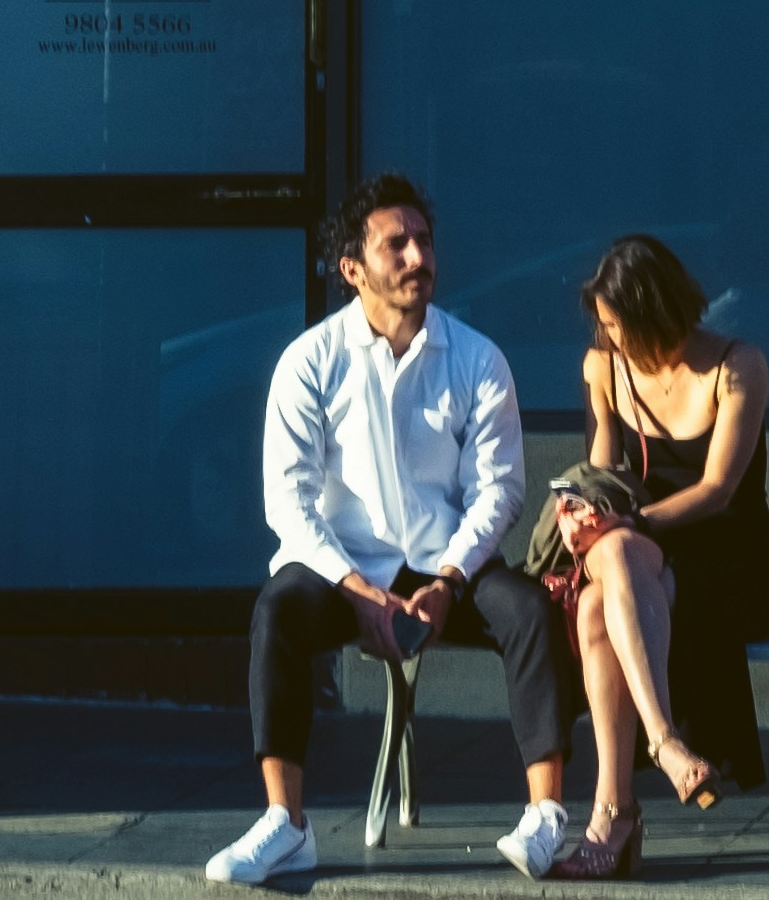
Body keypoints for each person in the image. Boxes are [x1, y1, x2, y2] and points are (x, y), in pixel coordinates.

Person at [207, 175, 579, 887]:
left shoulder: (476, 359)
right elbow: (287, 501)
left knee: (531, 609)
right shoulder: (309, 362)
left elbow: (499, 492)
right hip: (340, 569)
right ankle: (286, 825)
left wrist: (449, 581)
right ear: (352, 269)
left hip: (449, 566)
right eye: (395, 244)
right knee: (277, 610)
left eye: (424, 241)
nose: (417, 256)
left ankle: (544, 816)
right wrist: (355, 591)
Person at [546, 234, 769, 881]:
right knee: (597, 597)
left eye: (617, 325)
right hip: (640, 565)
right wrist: (583, 512)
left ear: (654, 314)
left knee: (615, 566)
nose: (608, 338)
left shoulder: (737, 366)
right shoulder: (605, 367)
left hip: (728, 567)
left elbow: (717, 490)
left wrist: (627, 524)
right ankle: (657, 754)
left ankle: (616, 808)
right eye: (602, 326)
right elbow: (601, 469)